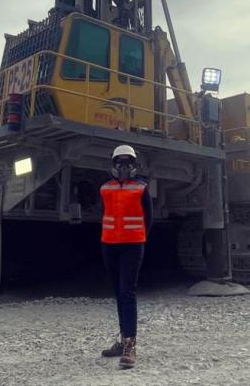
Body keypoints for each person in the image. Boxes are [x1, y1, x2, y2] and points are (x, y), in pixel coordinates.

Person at [100, 144, 153, 369]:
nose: (123, 166)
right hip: (109, 245)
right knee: (118, 293)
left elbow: (149, 218)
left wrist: (138, 238)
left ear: (134, 165)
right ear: (113, 164)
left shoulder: (142, 188)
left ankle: (130, 345)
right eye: (120, 162)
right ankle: (123, 341)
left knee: (126, 293)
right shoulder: (105, 188)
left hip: (132, 246)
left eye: (128, 162)